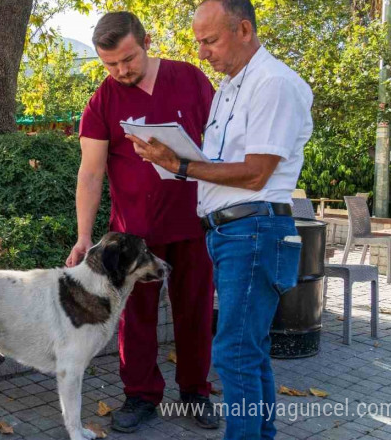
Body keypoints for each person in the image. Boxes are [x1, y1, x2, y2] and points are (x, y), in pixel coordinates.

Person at [130, 1, 313, 438]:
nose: (202, 53)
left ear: (244, 30)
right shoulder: (232, 88)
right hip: (232, 232)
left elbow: (256, 172)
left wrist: (180, 165)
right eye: (198, 43)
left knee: (232, 353)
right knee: (247, 351)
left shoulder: (272, 84)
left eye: (210, 41)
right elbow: (227, 163)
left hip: (254, 230)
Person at [66, 11, 219, 433]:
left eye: (128, 59)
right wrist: (84, 236)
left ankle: (195, 392)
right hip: (134, 236)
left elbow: (222, 143)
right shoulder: (103, 100)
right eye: (110, 64)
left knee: (196, 311)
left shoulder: (190, 79)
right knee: (134, 318)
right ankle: (140, 396)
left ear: (146, 41)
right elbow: (90, 174)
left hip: (194, 222)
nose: (120, 70)